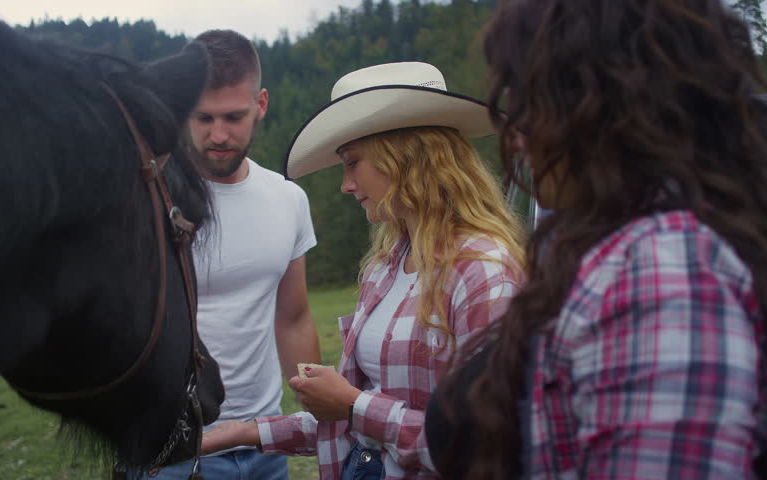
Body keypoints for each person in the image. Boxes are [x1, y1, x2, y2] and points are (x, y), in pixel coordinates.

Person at [425, 0, 767, 479]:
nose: (516, 138)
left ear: (601, 106)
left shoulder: (658, 266)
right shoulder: (635, 245)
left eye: (531, 101)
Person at [199, 61, 526, 480]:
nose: (345, 184)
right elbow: (355, 421)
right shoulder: (384, 270)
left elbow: (488, 444)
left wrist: (354, 405)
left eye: (353, 163)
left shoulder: (483, 272)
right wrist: (243, 433)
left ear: (407, 159)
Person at [134, 29, 322, 480]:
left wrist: (318, 410)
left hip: (264, 443)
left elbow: (293, 317)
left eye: (234, 117)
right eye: (204, 118)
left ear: (260, 104)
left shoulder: (288, 198)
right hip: (172, 452)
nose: (218, 135)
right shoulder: (144, 198)